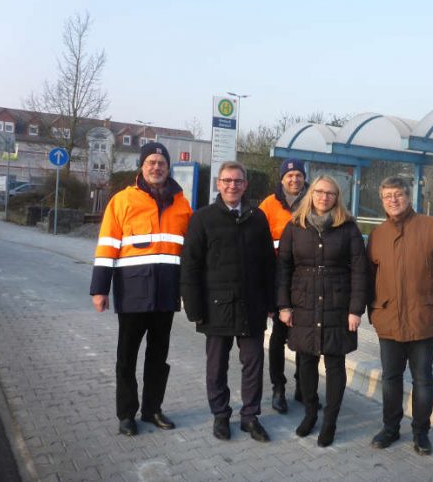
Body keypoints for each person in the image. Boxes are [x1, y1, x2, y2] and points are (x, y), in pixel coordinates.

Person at [90, 142, 192, 437]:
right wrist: (100, 289)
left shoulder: (182, 204)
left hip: (166, 293)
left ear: (168, 167)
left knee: (158, 359)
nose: (156, 167)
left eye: (161, 162)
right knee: (127, 358)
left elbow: (192, 251)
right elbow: (107, 244)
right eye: (151, 162)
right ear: (142, 166)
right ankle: (126, 414)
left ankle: (152, 410)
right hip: (133, 293)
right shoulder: (122, 201)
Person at [180, 161, 275, 443]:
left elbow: (269, 264)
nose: (232, 185)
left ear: (245, 185)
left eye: (238, 181)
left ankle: (250, 417)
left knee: (254, 363)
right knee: (216, 365)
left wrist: (270, 302)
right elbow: (190, 266)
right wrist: (194, 308)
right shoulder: (203, 218)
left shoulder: (258, 218)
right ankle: (221, 415)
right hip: (216, 306)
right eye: (227, 181)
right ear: (218, 184)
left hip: (252, 306)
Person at [367, 176, 433, 456]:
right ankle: (390, 428)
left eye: (398, 194)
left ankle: (421, 432)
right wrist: (372, 310)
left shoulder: (432, 227)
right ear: (382, 201)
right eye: (387, 196)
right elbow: (368, 276)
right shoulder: (377, 235)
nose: (393, 200)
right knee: (390, 378)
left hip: (424, 319)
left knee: (422, 378)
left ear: (408, 197)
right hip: (389, 320)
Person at [277, 175, 367, 447]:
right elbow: (283, 268)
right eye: (319, 191)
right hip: (303, 304)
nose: (323, 197)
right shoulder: (295, 226)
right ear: (310, 194)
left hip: (337, 305)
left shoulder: (348, 228)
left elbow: (360, 271)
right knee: (305, 361)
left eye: (330, 193)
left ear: (337, 197)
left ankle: (330, 421)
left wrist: (355, 310)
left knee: (335, 363)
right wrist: (283, 305)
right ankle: (310, 413)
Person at [259, 158, 310, 414]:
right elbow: (259, 246)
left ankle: (304, 387)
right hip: (279, 282)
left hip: (306, 283)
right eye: (289, 176)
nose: (294, 179)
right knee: (278, 338)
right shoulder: (268, 205)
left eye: (299, 175)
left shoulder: (314, 201)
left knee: (305, 338)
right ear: (281, 179)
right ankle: (278, 388)